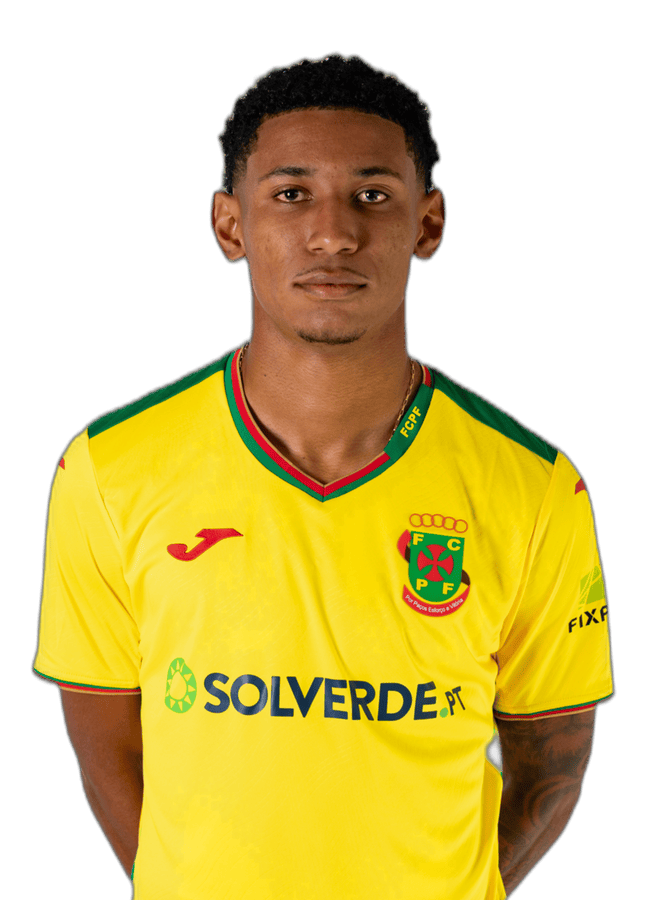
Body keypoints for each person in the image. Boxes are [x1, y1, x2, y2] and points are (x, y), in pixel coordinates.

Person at [32, 52, 614, 900]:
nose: (333, 234)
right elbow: (109, 751)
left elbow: (552, 759)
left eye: (371, 195)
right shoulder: (108, 467)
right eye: (291, 194)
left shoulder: (535, 484)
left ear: (427, 224)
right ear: (230, 225)